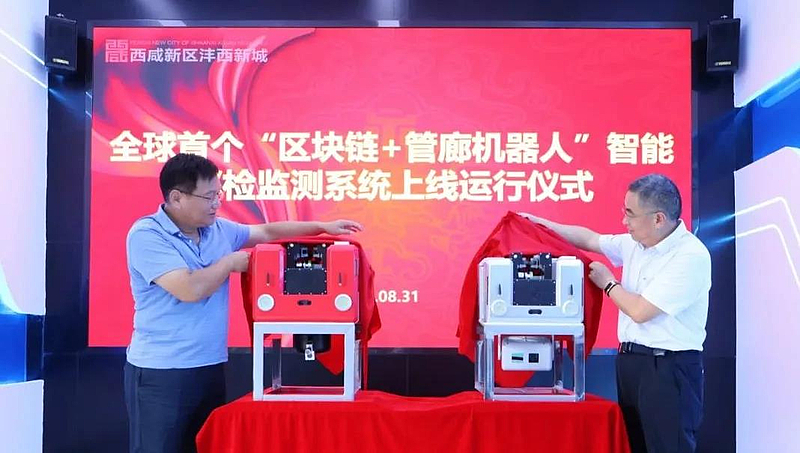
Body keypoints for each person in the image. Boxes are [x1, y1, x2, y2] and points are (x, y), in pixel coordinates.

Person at [123, 153, 362, 452]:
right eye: (208, 196)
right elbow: (189, 289)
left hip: (209, 365)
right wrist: (229, 263)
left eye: (218, 195)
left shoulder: (217, 230)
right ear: (176, 198)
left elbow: (267, 231)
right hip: (161, 373)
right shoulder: (147, 235)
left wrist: (322, 226)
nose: (216, 203)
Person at [519, 173, 710, 453]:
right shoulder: (636, 243)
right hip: (632, 363)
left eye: (630, 214)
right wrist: (538, 224)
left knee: (668, 446)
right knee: (634, 444)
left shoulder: (689, 256)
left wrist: (609, 283)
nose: (624, 221)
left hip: (668, 368)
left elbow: (641, 311)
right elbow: (591, 239)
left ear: (658, 219)